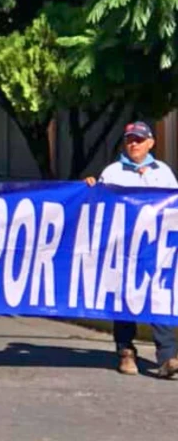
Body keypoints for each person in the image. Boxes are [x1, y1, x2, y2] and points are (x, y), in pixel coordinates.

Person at [85, 121, 178, 378]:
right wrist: (89, 187)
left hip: (155, 248)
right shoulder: (113, 172)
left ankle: (167, 357)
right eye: (129, 140)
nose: (133, 144)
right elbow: (98, 205)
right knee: (124, 297)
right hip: (122, 248)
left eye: (139, 139)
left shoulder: (163, 172)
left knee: (158, 297)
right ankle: (126, 351)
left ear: (151, 143)